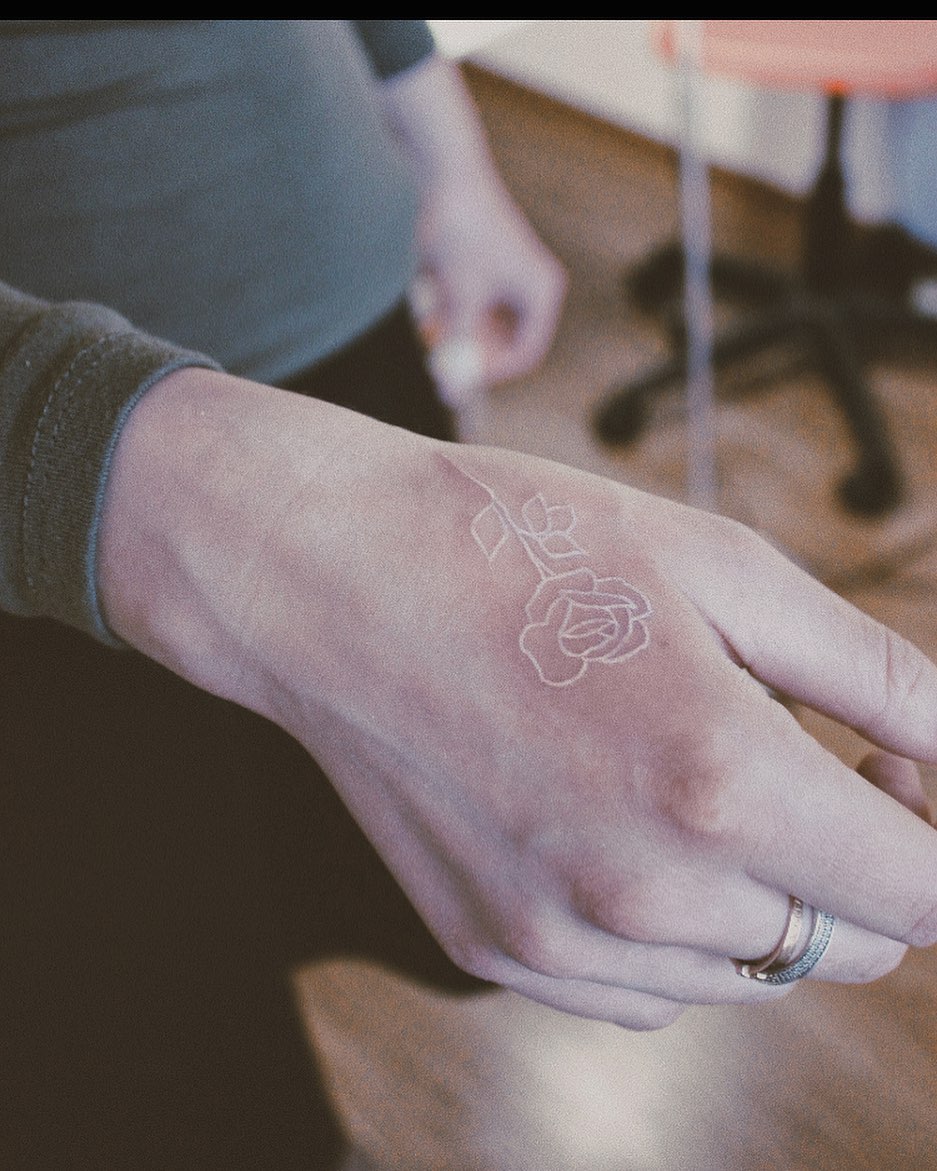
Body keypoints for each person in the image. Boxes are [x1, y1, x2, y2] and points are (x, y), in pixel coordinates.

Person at [3, 19, 937, 1171]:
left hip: (335, 277)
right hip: (49, 513)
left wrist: (445, 151)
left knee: (355, 857)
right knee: (145, 1028)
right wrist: (174, 493)